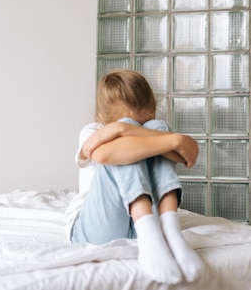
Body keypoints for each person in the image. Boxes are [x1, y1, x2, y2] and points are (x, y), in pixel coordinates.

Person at [65, 69, 204, 284]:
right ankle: (148, 230)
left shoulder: (155, 128)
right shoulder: (91, 131)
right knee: (127, 146)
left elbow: (188, 153)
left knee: (157, 129)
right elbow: (103, 154)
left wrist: (138, 132)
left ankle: (171, 229)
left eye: (145, 121)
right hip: (94, 231)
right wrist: (171, 140)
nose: (143, 127)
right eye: (124, 123)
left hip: (144, 220)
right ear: (104, 119)